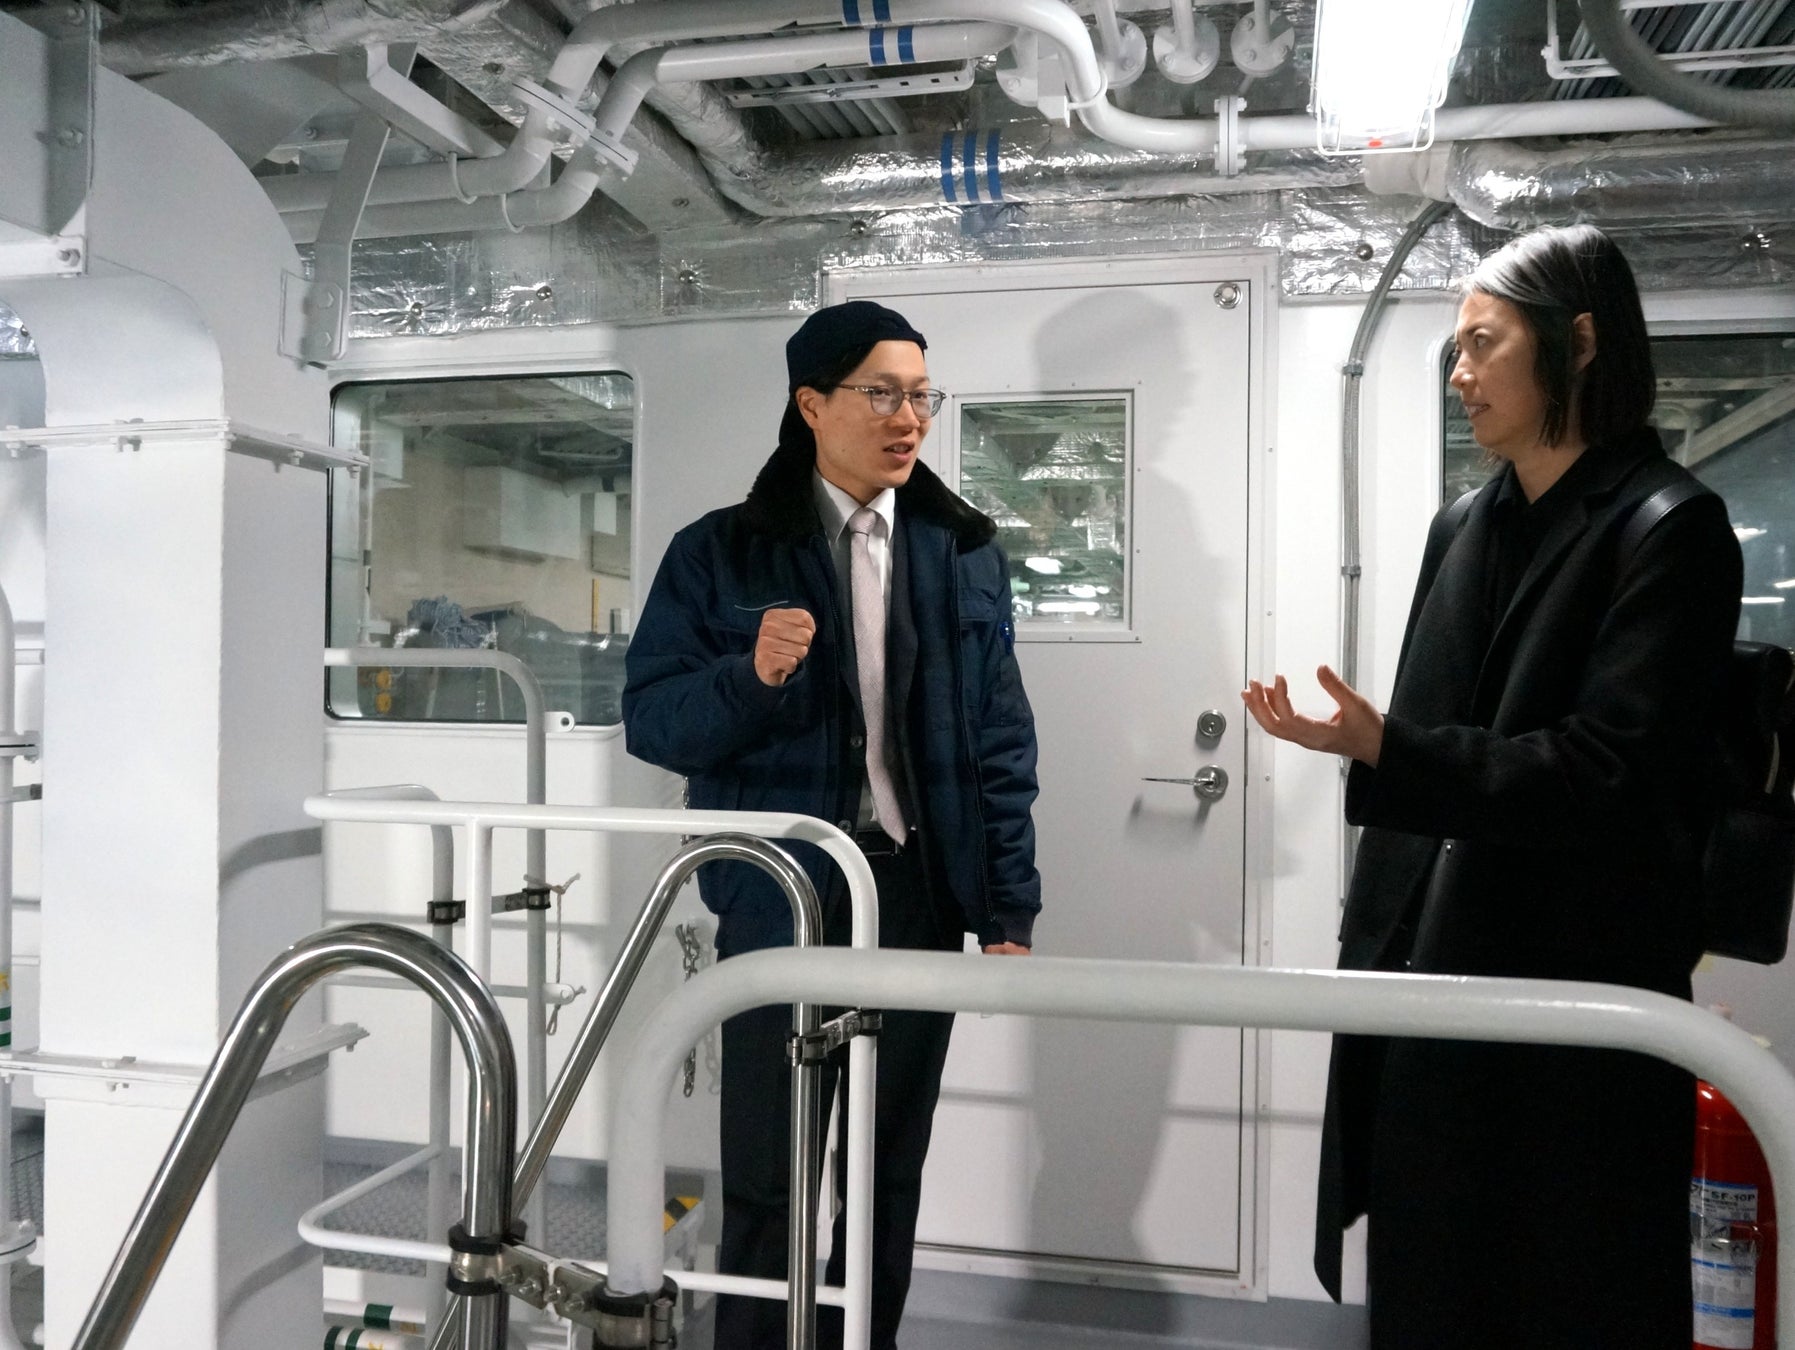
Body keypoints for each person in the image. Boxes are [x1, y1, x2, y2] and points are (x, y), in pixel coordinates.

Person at [1242, 224, 1742, 1348]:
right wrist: (1380, 754)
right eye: (1453, 349)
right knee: (1429, 1279)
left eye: (1482, 343)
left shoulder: (1670, 527)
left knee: (1570, 1285)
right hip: (1432, 977)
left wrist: (1390, 749)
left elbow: (1605, 774)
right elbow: (1442, 742)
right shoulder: (1463, 524)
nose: (1458, 374)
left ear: (1578, 342)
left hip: (1576, 995)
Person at [623, 300, 1041, 1350]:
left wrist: (1006, 905)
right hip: (782, 894)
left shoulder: (962, 551)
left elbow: (999, 742)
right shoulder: (720, 552)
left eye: (921, 396)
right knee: (771, 1171)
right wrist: (751, 676)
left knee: (888, 1168)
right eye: (882, 394)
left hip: (915, 892)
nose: (909, 419)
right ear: (811, 404)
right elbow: (655, 722)